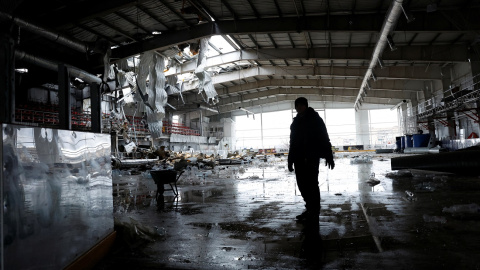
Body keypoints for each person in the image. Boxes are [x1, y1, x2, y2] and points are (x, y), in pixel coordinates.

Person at [288, 97, 335, 223]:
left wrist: (329, 155)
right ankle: (309, 208)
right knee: (302, 185)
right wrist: (290, 159)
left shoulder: (315, 119)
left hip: (311, 157)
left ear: (306, 106)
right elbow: (292, 142)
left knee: (312, 185)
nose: (298, 108)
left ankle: (314, 211)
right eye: (297, 106)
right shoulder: (296, 122)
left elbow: (324, 137)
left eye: (301, 105)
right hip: (298, 158)